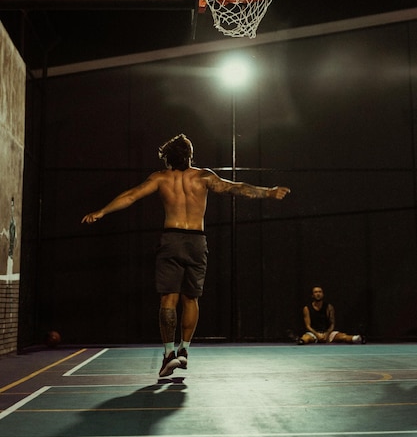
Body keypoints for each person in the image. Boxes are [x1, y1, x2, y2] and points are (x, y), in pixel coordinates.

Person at [82, 133, 291, 377]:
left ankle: (169, 353)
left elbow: (131, 195)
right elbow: (234, 188)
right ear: (190, 155)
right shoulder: (203, 177)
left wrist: (102, 212)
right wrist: (268, 192)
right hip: (196, 241)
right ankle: (184, 350)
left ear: (168, 158)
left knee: (168, 300)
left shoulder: (161, 178)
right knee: (191, 299)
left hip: (171, 240)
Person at [297, 286, 364, 345]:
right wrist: (317, 335)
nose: (318, 294)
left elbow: (332, 324)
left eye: (320, 292)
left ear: (323, 294)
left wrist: (327, 334)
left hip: (328, 333)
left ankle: (358, 338)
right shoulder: (307, 308)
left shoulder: (329, 307)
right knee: (306, 338)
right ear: (312, 295)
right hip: (313, 334)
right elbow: (308, 326)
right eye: (316, 292)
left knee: (342, 336)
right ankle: (301, 341)